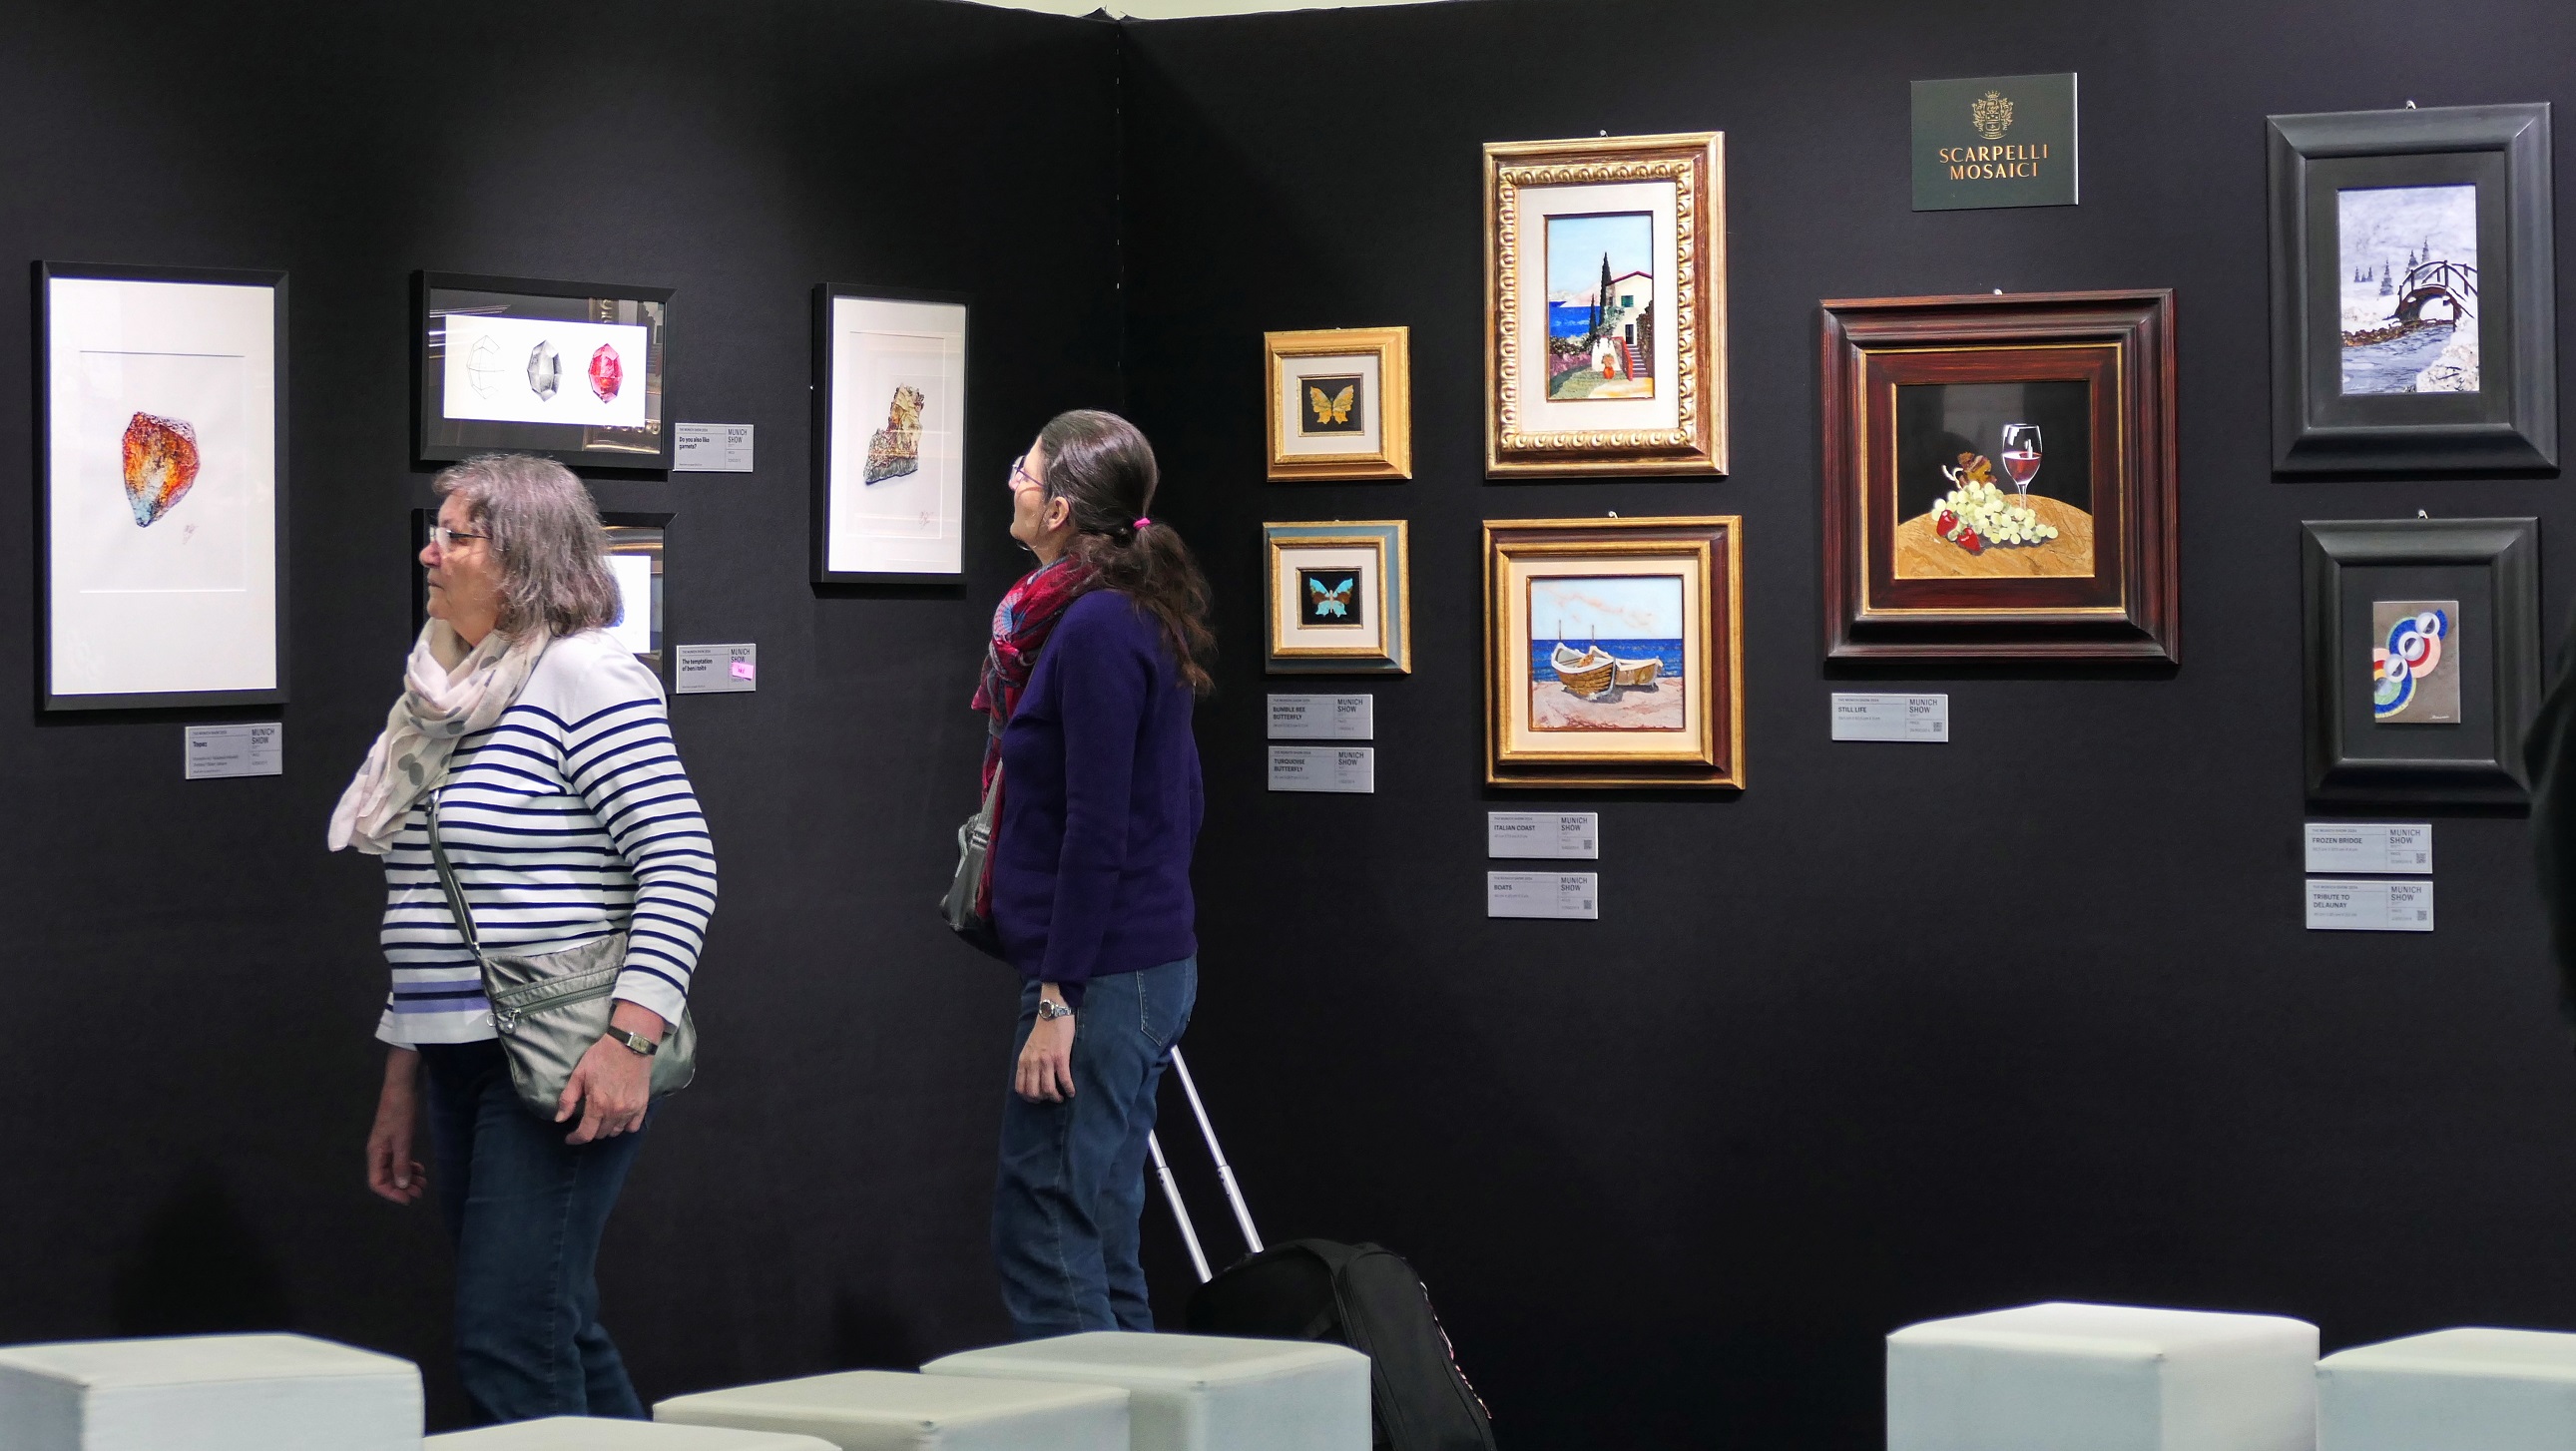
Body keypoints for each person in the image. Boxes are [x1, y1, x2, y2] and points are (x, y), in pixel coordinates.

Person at [330, 453, 717, 1423]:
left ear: (526, 559)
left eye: (456, 535)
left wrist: (630, 1042)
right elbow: (428, 902)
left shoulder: (584, 673)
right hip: (461, 1057)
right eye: (437, 532)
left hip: (560, 1054)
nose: (430, 551)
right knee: (552, 1321)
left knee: (509, 1338)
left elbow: (681, 863)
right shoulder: (441, 692)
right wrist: (401, 1078)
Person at [974, 409, 1213, 1335]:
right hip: (1133, 965)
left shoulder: (1098, 627)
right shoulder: (1126, 612)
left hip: (1103, 975)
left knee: (1045, 1230)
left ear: (1061, 509)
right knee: (1101, 1232)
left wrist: (1058, 997)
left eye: (1025, 470)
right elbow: (1179, 799)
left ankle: (1087, 1408)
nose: (1012, 481)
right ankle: (1141, 1410)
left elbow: (1096, 828)